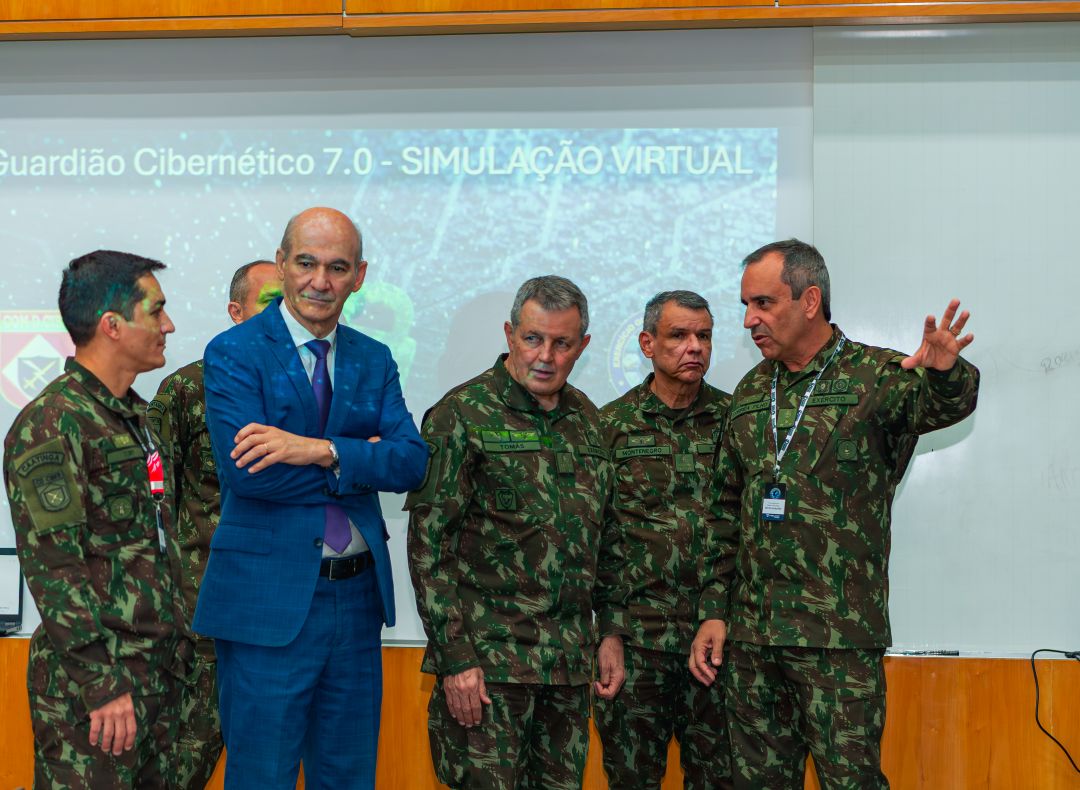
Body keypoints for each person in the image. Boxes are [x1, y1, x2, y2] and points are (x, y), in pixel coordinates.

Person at [689, 239, 980, 789]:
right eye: (745, 306)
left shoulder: (874, 376)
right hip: (754, 642)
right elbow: (723, 510)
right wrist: (713, 611)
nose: (750, 320)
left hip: (838, 641)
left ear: (809, 299)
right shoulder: (751, 392)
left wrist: (945, 372)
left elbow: (944, 404)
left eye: (763, 303)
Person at [193, 207, 428, 789]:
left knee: (348, 776)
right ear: (281, 264)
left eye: (337, 267)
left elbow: (411, 461)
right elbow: (251, 476)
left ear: (360, 275)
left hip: (355, 603)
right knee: (263, 776)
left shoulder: (373, 358)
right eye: (306, 263)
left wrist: (317, 449)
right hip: (265, 602)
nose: (320, 281)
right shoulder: (234, 351)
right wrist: (358, 456)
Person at [405, 275, 622, 790]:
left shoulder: (589, 422)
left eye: (561, 343)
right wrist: (456, 662)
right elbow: (428, 549)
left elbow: (607, 538)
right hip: (487, 673)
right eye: (532, 338)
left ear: (582, 347)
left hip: (568, 672)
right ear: (509, 335)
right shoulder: (461, 415)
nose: (544, 355)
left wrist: (611, 630)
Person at [3, 250, 189, 788]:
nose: (168, 325)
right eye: (155, 311)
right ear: (112, 325)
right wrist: (102, 684)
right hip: (97, 689)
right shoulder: (52, 423)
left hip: (157, 675)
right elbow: (54, 567)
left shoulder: (137, 417)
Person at [145, 259, 281, 788]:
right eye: (270, 300)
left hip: (284, 618)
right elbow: (153, 503)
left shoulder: (316, 385)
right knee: (182, 764)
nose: (283, 312)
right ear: (235, 311)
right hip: (204, 619)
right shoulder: (187, 390)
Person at [594, 290, 733, 790]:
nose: (694, 346)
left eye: (704, 336)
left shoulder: (736, 423)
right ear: (647, 344)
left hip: (718, 646)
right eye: (679, 336)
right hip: (637, 646)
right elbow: (598, 541)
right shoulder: (608, 427)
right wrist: (609, 631)